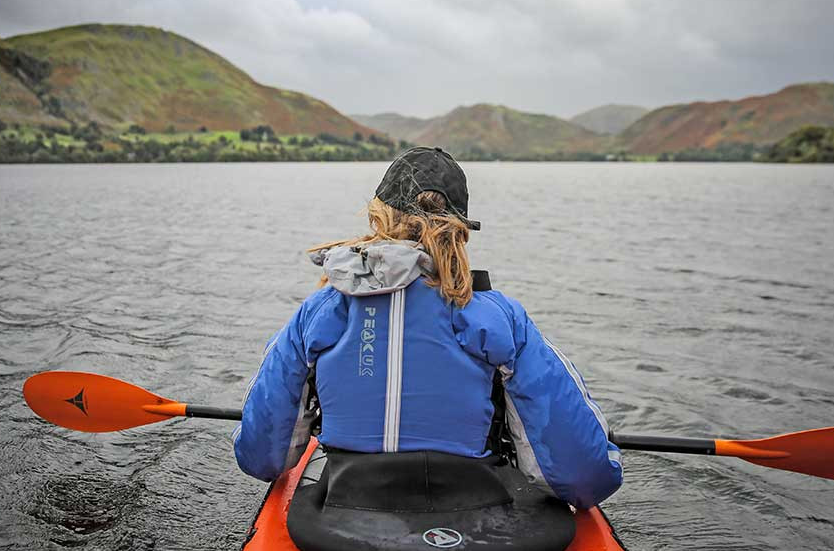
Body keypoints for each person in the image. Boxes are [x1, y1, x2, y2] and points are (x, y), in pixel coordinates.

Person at [233, 146, 622, 511]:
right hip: (473, 510)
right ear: (460, 230)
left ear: (378, 216)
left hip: (346, 505)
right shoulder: (497, 318)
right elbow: (584, 478)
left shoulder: (318, 313)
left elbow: (260, 457)